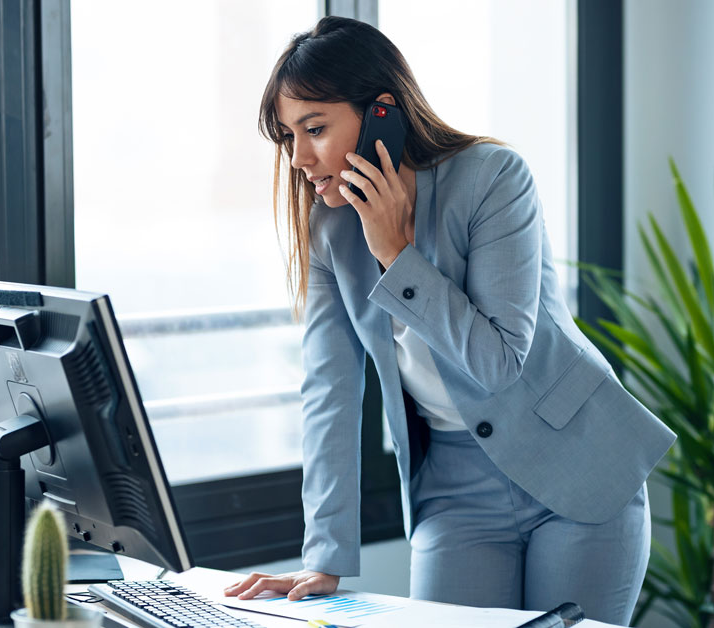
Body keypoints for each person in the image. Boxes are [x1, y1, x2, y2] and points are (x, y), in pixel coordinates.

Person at [223, 16, 675, 626]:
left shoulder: (493, 179)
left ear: (380, 111)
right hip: (454, 491)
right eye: (288, 136)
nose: (300, 157)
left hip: (577, 468)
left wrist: (396, 255)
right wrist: (323, 555)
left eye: (315, 128)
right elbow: (329, 391)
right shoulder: (329, 232)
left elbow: (499, 360)